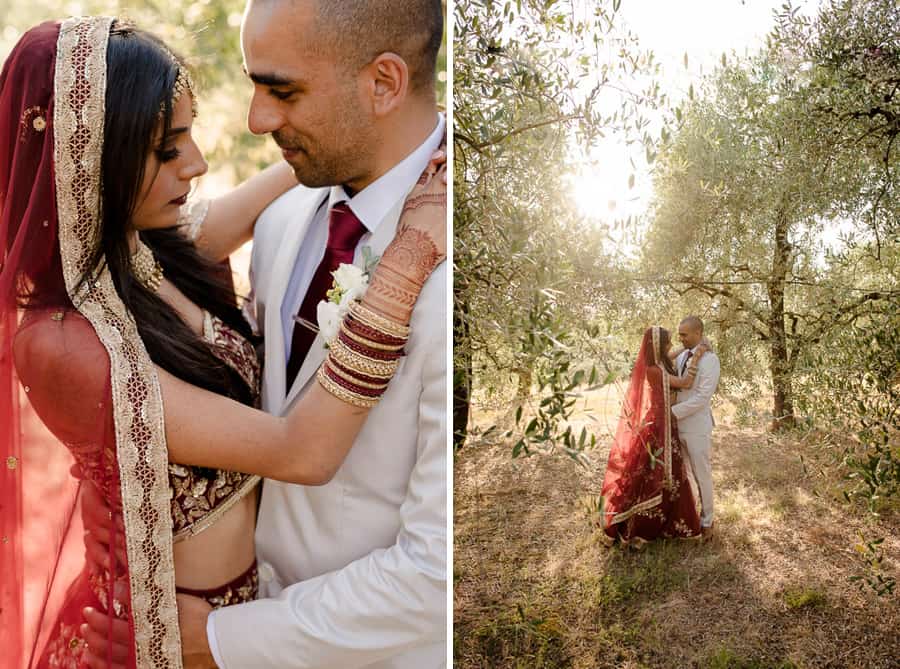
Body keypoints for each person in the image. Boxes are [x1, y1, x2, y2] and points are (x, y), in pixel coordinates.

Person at [0, 16, 445, 669]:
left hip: (236, 623)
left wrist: (413, 138)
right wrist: (406, 261)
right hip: (150, 641)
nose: (199, 162)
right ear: (99, 157)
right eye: (168, 147)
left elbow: (309, 170)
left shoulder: (151, 255)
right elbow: (304, 450)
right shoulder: (62, 341)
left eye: (188, 136)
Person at [600, 326, 706, 543]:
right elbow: (686, 383)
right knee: (655, 470)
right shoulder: (654, 370)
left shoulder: (657, 364)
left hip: (664, 421)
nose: (670, 346)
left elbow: (670, 355)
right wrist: (698, 356)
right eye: (667, 342)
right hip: (659, 425)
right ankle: (644, 524)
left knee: (667, 469)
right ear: (658, 346)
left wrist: (682, 352)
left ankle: (667, 518)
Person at [671, 316, 721, 538]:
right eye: (679, 334)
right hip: (676, 426)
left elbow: (702, 397)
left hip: (696, 426)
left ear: (698, 333)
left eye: (685, 334)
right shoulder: (681, 355)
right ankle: (690, 517)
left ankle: (708, 521)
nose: (680, 338)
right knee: (685, 475)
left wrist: (672, 413)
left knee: (702, 474)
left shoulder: (710, 360)